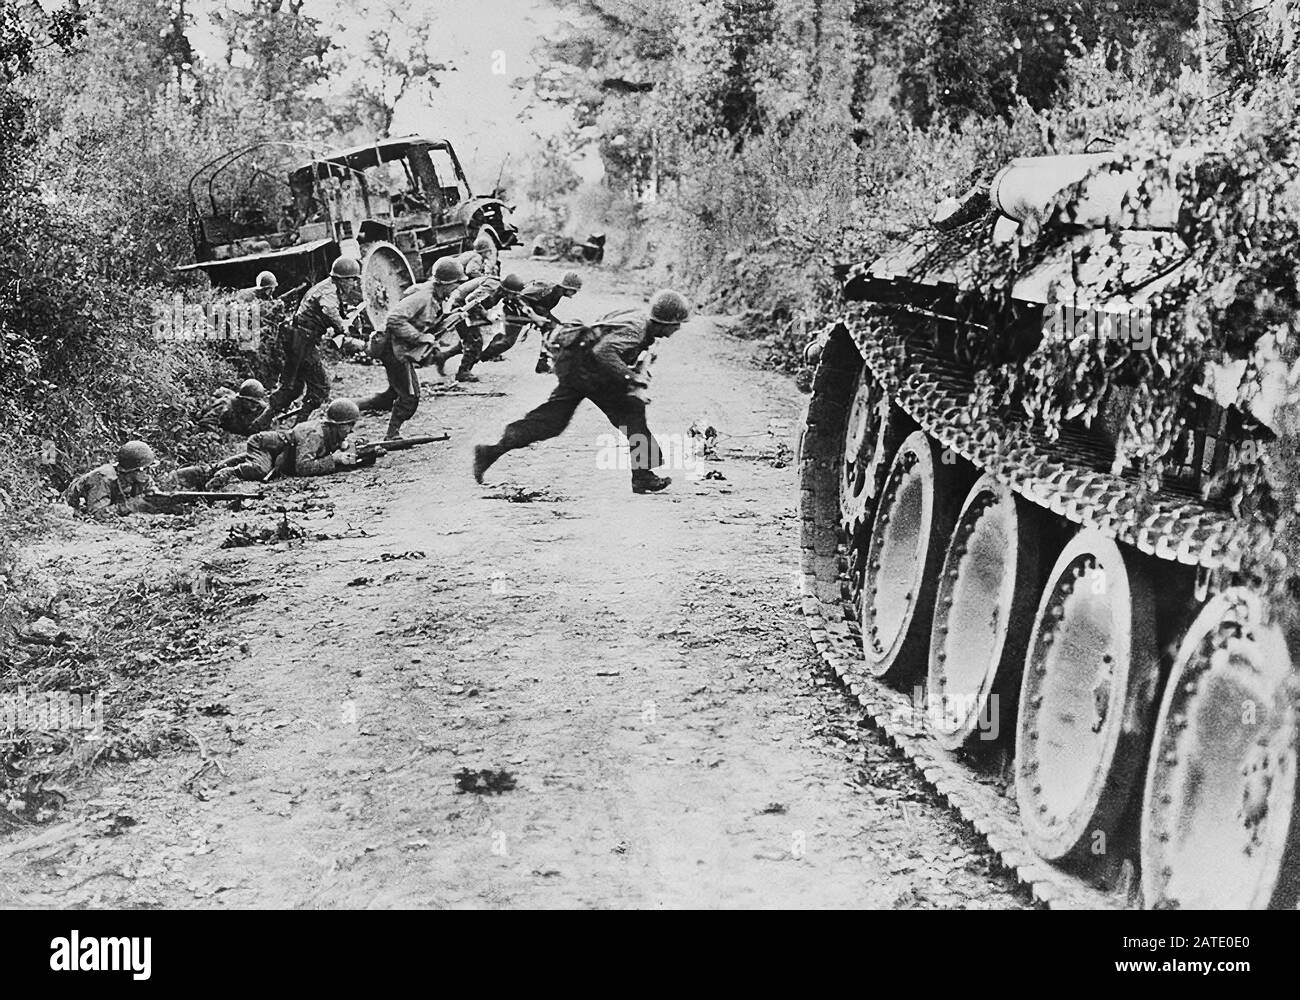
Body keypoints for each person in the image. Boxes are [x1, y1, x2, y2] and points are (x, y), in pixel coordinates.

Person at [472, 289, 690, 494]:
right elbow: (604, 352)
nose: (678, 329)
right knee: (628, 412)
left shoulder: (638, 319)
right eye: (677, 324)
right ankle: (643, 475)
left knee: (555, 420)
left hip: (577, 363)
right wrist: (631, 378)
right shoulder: (636, 329)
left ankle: (491, 452)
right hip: (584, 368)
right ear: (665, 322)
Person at [356, 257, 465, 439]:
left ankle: (350, 405)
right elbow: (394, 319)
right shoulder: (423, 297)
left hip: (396, 348)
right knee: (410, 397)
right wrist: (420, 337)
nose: (457, 288)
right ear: (445, 283)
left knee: (392, 394)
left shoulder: (434, 296)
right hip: (394, 349)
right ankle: (391, 435)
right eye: (456, 284)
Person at [269, 257, 364, 424]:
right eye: (352, 280)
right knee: (320, 388)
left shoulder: (330, 287)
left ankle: (261, 421)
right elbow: (329, 310)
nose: (354, 285)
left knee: (292, 388)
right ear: (342, 279)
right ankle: (298, 426)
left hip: (299, 338)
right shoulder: (329, 291)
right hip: (302, 340)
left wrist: (348, 314)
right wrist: (343, 326)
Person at [202, 399, 365, 489]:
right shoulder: (314, 435)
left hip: (275, 453)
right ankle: (227, 474)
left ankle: (210, 471)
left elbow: (349, 455)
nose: (351, 430)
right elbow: (303, 467)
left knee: (227, 464)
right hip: (261, 445)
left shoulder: (331, 432)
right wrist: (334, 460)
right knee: (259, 470)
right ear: (336, 424)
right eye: (349, 425)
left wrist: (358, 450)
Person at [432, 270, 525, 382]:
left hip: (466, 308)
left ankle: (442, 357)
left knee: (470, 339)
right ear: (506, 290)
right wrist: (485, 315)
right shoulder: (492, 287)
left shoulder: (500, 290)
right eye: (513, 294)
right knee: (474, 341)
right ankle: (463, 372)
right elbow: (471, 300)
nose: (513, 297)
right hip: (459, 307)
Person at [65, 441, 167, 517]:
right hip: (68, 508)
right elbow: (97, 514)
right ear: (133, 470)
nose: (149, 473)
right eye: (146, 469)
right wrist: (132, 505)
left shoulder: (141, 478)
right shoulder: (103, 478)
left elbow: (153, 499)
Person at [520, 272, 583, 373]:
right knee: (554, 330)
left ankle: (543, 363)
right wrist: (532, 314)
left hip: (539, 313)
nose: (574, 294)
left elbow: (544, 309)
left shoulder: (557, 292)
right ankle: (543, 364)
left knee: (556, 328)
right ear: (568, 288)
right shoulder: (551, 291)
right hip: (529, 311)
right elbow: (524, 296)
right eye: (574, 291)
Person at [196, 379, 273, 437]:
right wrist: (223, 435)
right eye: (251, 401)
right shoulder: (227, 405)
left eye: (257, 402)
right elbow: (205, 422)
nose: (254, 405)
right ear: (242, 399)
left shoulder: (261, 409)